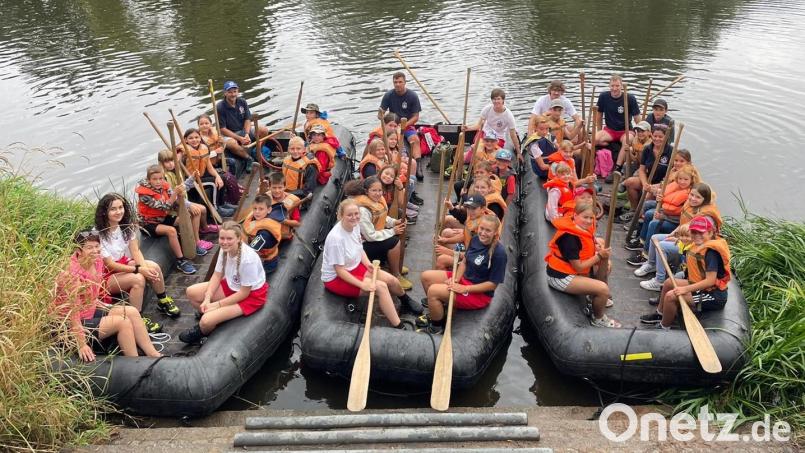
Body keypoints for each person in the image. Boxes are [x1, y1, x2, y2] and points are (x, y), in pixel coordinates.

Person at [53, 230, 162, 362]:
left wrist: (101, 304)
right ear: (78, 250)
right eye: (89, 247)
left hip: (89, 310)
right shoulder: (71, 275)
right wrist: (81, 344)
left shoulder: (97, 261)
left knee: (131, 311)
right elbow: (72, 313)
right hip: (70, 324)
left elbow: (92, 291)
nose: (95, 250)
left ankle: (153, 354)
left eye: (97, 246)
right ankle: (135, 364)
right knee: (122, 322)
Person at [95, 193, 182, 333]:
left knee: (153, 266)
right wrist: (139, 270)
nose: (118, 212)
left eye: (120, 207)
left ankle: (163, 299)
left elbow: (135, 251)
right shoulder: (99, 234)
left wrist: (143, 267)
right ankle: (137, 319)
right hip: (105, 276)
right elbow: (110, 264)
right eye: (113, 209)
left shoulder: (126, 227)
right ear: (104, 212)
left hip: (123, 264)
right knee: (138, 279)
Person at [321, 199, 419, 323]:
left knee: (391, 280)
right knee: (381, 287)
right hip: (337, 278)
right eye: (349, 215)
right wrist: (362, 284)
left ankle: (405, 301)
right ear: (341, 216)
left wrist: (367, 264)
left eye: (356, 214)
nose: (354, 217)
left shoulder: (355, 225)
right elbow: (339, 271)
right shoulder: (336, 239)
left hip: (354, 267)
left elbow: (359, 248)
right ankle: (398, 324)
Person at [417, 214, 507, 334]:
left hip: (478, 294)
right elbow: (465, 262)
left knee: (433, 291)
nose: (483, 233)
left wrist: (464, 288)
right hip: (464, 280)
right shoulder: (475, 240)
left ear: (495, 233)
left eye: (488, 230)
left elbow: (492, 285)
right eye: (482, 228)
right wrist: (455, 279)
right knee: (426, 277)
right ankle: (439, 311)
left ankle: (436, 327)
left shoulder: (499, 253)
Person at [181, 221, 269, 343]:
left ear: (238, 238)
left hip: (251, 296)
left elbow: (244, 293)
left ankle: (204, 331)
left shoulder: (248, 259)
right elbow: (217, 275)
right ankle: (214, 320)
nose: (224, 242)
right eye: (222, 238)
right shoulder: (224, 249)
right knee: (191, 292)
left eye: (229, 238)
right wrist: (207, 298)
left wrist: (217, 305)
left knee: (206, 320)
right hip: (232, 285)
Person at [640, 216, 731, 329]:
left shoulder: (711, 252)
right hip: (701, 286)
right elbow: (685, 242)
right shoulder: (697, 244)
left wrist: (685, 289)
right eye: (694, 232)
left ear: (710, 232)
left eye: (701, 232)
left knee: (671, 296)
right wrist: (675, 239)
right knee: (669, 283)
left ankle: (664, 327)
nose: (696, 235)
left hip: (713, 294)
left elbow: (710, 281)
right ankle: (660, 314)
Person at [632, 183, 722, 289]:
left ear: (705, 199)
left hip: (694, 245)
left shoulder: (706, 216)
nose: (693, 198)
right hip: (685, 237)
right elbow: (683, 223)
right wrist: (672, 234)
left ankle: (659, 281)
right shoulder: (692, 206)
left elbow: (699, 238)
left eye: (698, 197)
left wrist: (677, 239)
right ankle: (651, 264)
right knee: (655, 238)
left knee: (662, 246)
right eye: (692, 195)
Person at [544, 203, 620, 328]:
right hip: (561, 276)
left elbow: (585, 249)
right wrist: (599, 256)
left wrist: (596, 249)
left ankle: (593, 297)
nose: (589, 221)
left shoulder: (581, 229)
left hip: (573, 271)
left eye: (591, 218)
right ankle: (598, 318)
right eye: (585, 217)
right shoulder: (569, 238)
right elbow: (578, 267)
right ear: (575, 215)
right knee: (603, 289)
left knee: (607, 266)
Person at [348, 176, 414, 293]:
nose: (378, 194)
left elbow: (381, 216)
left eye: (379, 191)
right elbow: (370, 236)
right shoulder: (363, 210)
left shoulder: (375, 202)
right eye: (374, 191)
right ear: (366, 191)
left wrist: (394, 222)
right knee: (394, 241)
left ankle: (393, 265)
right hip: (361, 246)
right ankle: (395, 273)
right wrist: (393, 230)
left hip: (370, 240)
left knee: (395, 235)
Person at [135, 165, 210, 260]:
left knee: (187, 218)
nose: (158, 181)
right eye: (154, 179)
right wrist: (175, 193)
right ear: (149, 180)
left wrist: (192, 178)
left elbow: (181, 189)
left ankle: (193, 243)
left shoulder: (164, 185)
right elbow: (164, 206)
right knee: (171, 231)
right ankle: (180, 260)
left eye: (160, 178)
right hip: (149, 223)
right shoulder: (144, 195)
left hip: (163, 218)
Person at [626, 164, 696, 251]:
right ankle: (642, 241)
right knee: (648, 214)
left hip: (675, 223)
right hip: (667, 216)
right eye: (680, 179)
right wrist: (660, 200)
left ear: (691, 180)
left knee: (654, 224)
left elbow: (682, 217)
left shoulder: (690, 196)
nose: (682, 181)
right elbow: (667, 203)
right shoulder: (676, 187)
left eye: (686, 179)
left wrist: (663, 217)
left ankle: (646, 252)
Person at [157, 149, 218, 236]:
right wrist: (189, 205)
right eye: (167, 162)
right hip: (175, 207)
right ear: (161, 164)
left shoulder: (176, 172)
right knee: (197, 211)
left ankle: (205, 228)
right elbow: (174, 198)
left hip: (182, 201)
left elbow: (184, 187)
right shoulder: (164, 178)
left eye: (172, 160)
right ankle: (194, 237)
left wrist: (193, 177)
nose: (170, 164)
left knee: (203, 209)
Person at [620, 125, 673, 218]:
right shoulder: (648, 149)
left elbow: (673, 175)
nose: (657, 139)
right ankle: (634, 210)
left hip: (662, 185)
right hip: (649, 181)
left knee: (648, 196)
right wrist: (645, 184)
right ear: (651, 135)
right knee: (629, 182)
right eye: (655, 136)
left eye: (660, 137)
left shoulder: (671, 151)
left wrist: (656, 187)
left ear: (666, 137)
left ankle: (639, 218)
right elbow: (642, 170)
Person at [215, 80, 269, 174]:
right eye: (230, 92)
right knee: (231, 143)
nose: (233, 94)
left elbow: (247, 119)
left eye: (235, 91)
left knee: (264, 130)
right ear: (225, 93)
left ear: (238, 91)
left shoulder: (242, 102)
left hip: (243, 130)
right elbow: (222, 129)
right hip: (230, 133)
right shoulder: (220, 107)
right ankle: (248, 158)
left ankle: (257, 152)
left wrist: (247, 134)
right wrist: (239, 138)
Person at [378, 72, 424, 180]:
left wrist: (404, 125)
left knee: (415, 139)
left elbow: (416, 117)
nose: (397, 84)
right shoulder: (388, 95)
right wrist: (381, 116)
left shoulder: (412, 96)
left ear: (404, 82)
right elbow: (381, 113)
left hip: (407, 124)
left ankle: (418, 166)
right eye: (395, 82)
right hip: (393, 124)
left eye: (400, 82)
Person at [178, 128, 232, 217]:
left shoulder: (203, 148)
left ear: (200, 138)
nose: (194, 140)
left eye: (196, 137)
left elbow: (210, 168)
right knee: (213, 183)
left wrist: (218, 176)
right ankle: (216, 209)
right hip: (191, 182)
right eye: (191, 138)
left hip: (201, 177)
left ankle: (222, 203)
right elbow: (176, 159)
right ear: (185, 140)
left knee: (222, 177)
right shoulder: (183, 151)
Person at [435, 193, 495, 270]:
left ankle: (452, 276)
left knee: (441, 259)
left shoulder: (484, 228)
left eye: (473, 208)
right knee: (440, 240)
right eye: (468, 208)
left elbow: (474, 255)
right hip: (467, 251)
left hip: (474, 263)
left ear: (483, 209)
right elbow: (465, 235)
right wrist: (446, 240)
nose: (470, 211)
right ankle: (446, 270)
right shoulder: (473, 218)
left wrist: (449, 252)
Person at [463, 88, 521, 155]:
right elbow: (479, 126)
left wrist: (518, 152)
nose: (496, 101)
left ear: (503, 100)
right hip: (485, 133)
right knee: (478, 151)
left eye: (498, 99)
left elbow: (513, 134)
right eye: (494, 99)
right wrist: (468, 128)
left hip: (498, 137)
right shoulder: (487, 109)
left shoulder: (509, 115)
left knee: (493, 155)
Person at [595, 74, 641, 148]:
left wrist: (641, 133)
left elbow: (637, 118)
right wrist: (599, 131)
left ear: (622, 86)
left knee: (627, 142)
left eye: (617, 86)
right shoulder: (603, 96)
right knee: (594, 139)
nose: (614, 88)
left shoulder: (630, 98)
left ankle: (619, 160)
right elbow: (599, 115)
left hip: (626, 131)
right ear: (609, 86)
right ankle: (608, 146)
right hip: (610, 131)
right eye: (612, 86)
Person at [242, 194, 283, 276]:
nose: (257, 212)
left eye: (261, 209)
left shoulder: (264, 233)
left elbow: (251, 252)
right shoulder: (256, 218)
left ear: (269, 210)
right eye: (255, 208)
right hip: (253, 250)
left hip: (266, 262)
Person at [267, 172, 302, 241]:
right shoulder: (266, 198)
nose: (277, 191)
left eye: (280, 187)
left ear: (285, 187)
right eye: (274, 188)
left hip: (283, 236)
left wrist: (282, 220)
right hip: (269, 233)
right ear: (269, 187)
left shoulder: (292, 202)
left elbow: (297, 224)